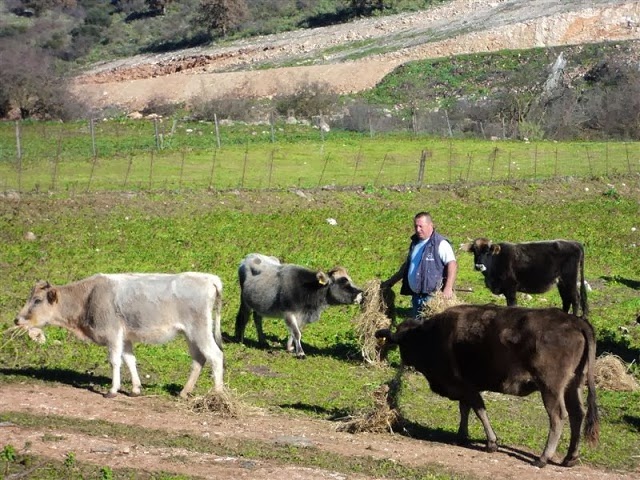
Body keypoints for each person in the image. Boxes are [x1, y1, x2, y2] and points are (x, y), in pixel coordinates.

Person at [381, 211, 458, 318]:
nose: (418, 230)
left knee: (432, 330)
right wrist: (391, 282)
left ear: (430, 225)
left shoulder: (440, 243)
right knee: (417, 329)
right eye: (416, 226)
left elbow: (452, 264)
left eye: (421, 226)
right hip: (417, 296)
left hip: (433, 297)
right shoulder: (415, 243)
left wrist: (448, 287)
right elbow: (407, 267)